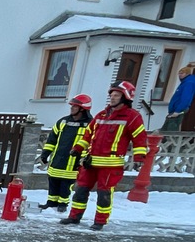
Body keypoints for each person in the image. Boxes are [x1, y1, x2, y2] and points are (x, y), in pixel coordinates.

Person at [62, 81, 147, 232]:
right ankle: (74, 216)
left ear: (125, 97)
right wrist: (78, 148)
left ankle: (100, 221)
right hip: (91, 161)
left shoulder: (132, 117)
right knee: (80, 189)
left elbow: (139, 138)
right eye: (112, 95)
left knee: (104, 193)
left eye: (117, 95)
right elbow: (88, 134)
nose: (112, 98)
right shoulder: (101, 115)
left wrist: (139, 157)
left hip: (111, 164)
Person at [39, 94, 92, 211]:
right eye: (72, 105)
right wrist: (45, 154)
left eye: (75, 106)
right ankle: (51, 202)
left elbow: (92, 144)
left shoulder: (90, 125)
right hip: (57, 159)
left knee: (66, 184)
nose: (71, 108)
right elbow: (52, 140)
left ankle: (63, 204)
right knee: (53, 179)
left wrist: (85, 159)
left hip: (74, 162)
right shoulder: (63, 122)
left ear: (83, 109)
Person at [159, 62, 195, 133]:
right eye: (179, 73)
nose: (180, 75)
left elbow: (185, 98)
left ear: (187, 74)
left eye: (182, 73)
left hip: (178, 111)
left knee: (171, 130)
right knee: (167, 129)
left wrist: (178, 111)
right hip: (175, 110)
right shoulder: (185, 82)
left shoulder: (189, 83)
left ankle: (170, 143)